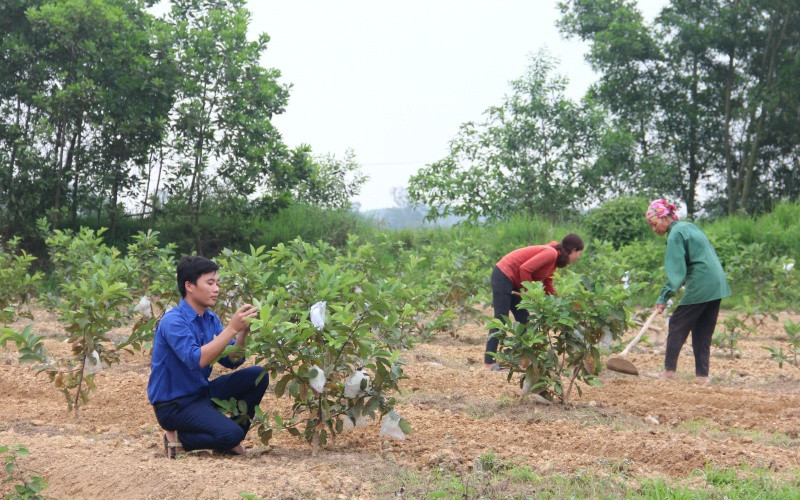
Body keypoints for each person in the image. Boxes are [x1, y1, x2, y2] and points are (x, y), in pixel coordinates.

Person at [147, 256, 269, 458]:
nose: (216, 289)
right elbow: (197, 360)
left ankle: (227, 439)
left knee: (257, 375)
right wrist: (231, 328)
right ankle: (179, 441)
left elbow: (232, 361)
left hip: (200, 394)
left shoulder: (210, 319)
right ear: (190, 286)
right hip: (174, 405)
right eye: (210, 283)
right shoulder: (173, 321)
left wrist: (242, 332)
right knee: (231, 434)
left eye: (217, 283)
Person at [646, 199, 731, 385]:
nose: (654, 229)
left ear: (665, 218)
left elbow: (677, 273)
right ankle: (702, 376)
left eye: (654, 224)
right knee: (702, 329)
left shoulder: (675, 234)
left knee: (677, 323)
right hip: (717, 283)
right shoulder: (688, 227)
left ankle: (669, 372)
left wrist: (663, 297)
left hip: (702, 283)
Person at [484, 234, 585, 370]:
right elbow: (524, 269)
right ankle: (489, 363)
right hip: (504, 274)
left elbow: (548, 284)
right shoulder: (551, 254)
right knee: (501, 318)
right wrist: (530, 293)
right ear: (572, 250)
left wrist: (560, 301)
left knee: (524, 319)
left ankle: (525, 361)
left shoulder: (555, 260)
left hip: (514, 281)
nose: (577, 258)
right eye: (578, 254)